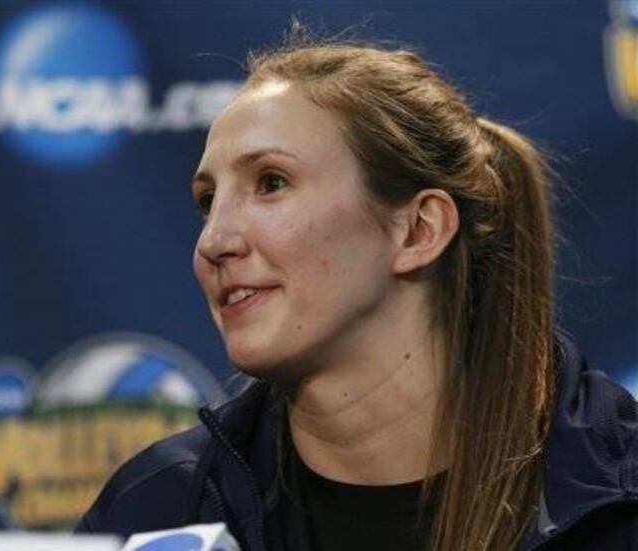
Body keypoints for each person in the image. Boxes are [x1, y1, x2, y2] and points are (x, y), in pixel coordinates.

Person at [76, 35, 638, 551]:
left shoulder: (618, 498)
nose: (213, 241)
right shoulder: (155, 511)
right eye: (207, 201)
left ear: (419, 230)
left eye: (271, 183)